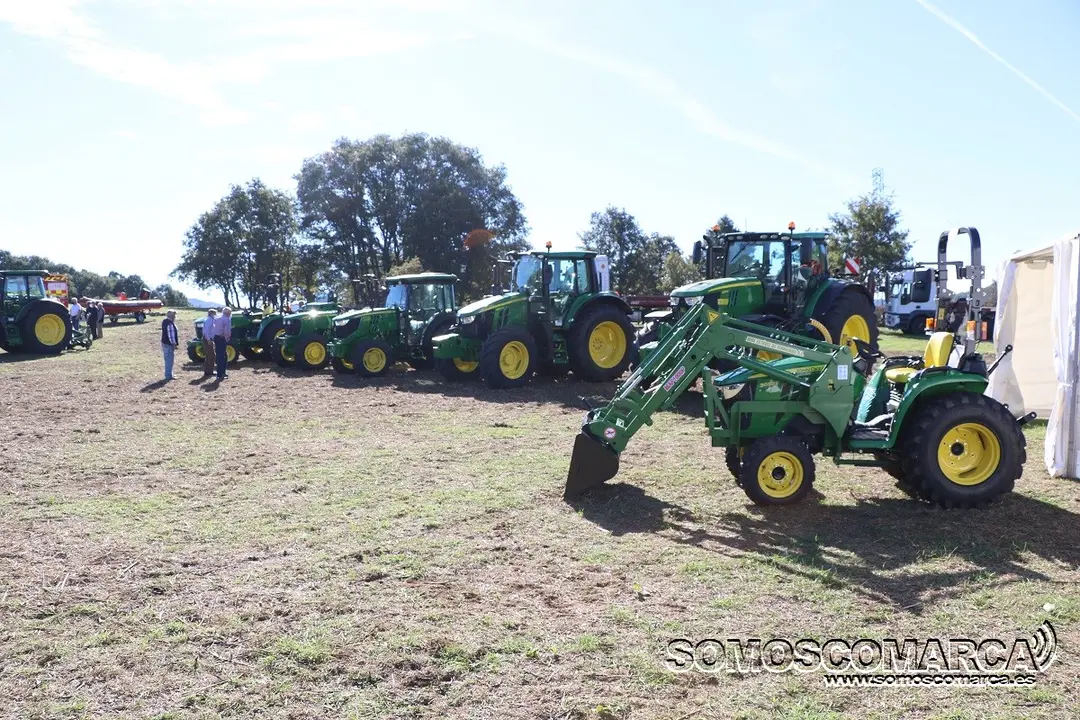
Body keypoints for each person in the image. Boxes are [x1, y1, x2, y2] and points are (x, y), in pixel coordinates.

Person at [213, 307, 232, 380]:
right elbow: (227, 331)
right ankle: (220, 374)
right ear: (228, 313)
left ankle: (221, 372)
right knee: (222, 356)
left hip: (216, 337)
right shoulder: (226, 319)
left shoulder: (217, 318)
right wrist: (227, 338)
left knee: (221, 355)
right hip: (222, 338)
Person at [161, 310, 179, 381]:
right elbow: (171, 335)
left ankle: (169, 374)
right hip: (168, 344)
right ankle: (168, 375)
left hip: (164, 343)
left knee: (167, 359)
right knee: (169, 360)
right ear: (172, 316)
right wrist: (174, 344)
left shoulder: (164, 321)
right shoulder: (170, 324)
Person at [201, 309, 217, 376]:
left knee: (209, 355)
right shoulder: (209, 320)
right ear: (211, 314)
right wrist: (208, 339)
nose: (215, 315)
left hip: (208, 338)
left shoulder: (208, 319)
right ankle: (209, 372)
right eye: (214, 314)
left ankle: (207, 371)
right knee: (211, 355)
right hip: (208, 339)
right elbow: (206, 331)